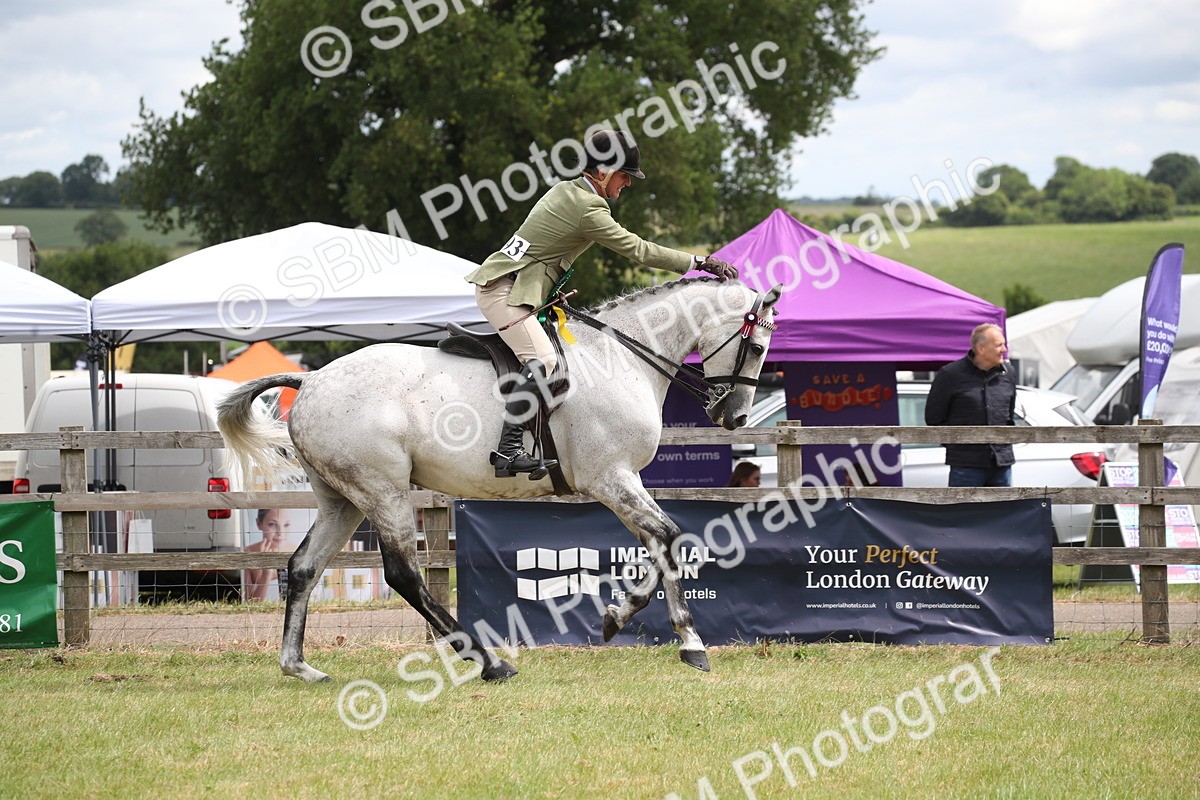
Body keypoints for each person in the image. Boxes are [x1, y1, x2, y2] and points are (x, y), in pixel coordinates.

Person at [464, 129, 738, 478]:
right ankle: (508, 451)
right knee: (545, 361)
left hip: (520, 290)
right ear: (605, 171)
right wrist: (698, 262)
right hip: (505, 292)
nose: (629, 183)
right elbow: (638, 249)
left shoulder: (568, 189)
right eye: (626, 175)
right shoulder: (588, 207)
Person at [924, 323, 1017, 487]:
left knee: (1003, 512)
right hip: (965, 465)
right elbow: (934, 419)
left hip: (1001, 463)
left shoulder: (1008, 374)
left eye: (1004, 344)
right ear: (981, 349)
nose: (1004, 349)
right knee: (964, 512)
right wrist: (960, 448)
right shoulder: (950, 374)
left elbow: (1008, 415)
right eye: (999, 345)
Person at [243, 508, 290, 601]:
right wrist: (266, 574)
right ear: (259, 523)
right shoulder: (247, 553)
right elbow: (250, 604)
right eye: (272, 524)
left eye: (286, 525)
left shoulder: (298, 551)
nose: (280, 532)